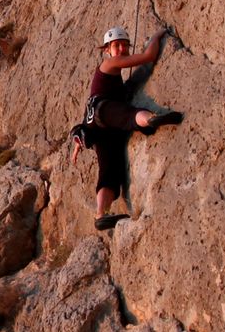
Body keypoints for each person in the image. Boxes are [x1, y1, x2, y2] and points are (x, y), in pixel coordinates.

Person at [71, 25, 183, 230]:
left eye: (124, 45)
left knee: (109, 172)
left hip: (98, 127)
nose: (122, 49)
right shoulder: (111, 63)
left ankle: (100, 215)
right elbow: (149, 56)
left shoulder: (105, 74)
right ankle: (151, 119)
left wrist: (79, 141)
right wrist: (158, 35)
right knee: (129, 115)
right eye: (117, 45)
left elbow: (88, 116)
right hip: (104, 111)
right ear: (107, 50)